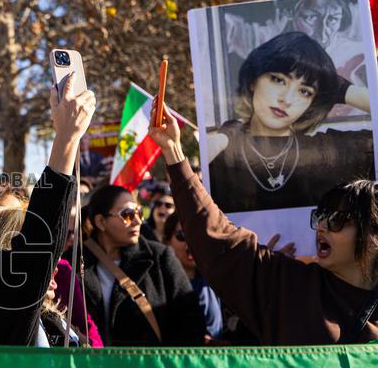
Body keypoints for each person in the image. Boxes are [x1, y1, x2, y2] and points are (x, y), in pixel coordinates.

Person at [152, 111, 378, 344]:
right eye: (320, 216)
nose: (321, 226)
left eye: (337, 219)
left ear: (374, 234)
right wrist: (173, 152)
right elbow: (220, 241)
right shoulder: (288, 285)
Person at [0, 75, 93, 346]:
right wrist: (66, 139)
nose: (52, 265)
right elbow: (38, 244)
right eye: (20, 246)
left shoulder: (50, 319)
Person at [207, 31, 372, 212]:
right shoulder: (220, 147)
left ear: (311, 103)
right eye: (278, 80)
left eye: (305, 91)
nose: (287, 99)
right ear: (254, 79)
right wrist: (224, 138)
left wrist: (342, 89)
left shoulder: (325, 152)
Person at [81, 184, 205, 346]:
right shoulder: (74, 263)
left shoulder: (160, 257)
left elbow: (191, 322)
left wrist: (166, 367)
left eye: (138, 212)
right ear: (100, 222)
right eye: (127, 215)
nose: (137, 221)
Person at [162, 212, 223, 341]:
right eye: (181, 236)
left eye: (198, 235)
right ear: (167, 242)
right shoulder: (161, 286)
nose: (190, 242)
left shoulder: (214, 278)